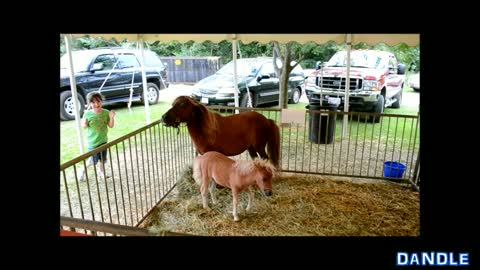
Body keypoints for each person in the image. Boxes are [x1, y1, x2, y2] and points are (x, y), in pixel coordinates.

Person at [78, 91, 115, 181]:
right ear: (90, 104)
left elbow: (110, 126)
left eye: (98, 101)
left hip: (103, 141)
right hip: (93, 143)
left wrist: (111, 117)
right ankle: (82, 170)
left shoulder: (106, 112)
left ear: (101, 101)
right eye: (93, 102)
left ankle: (101, 171)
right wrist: (85, 124)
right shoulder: (87, 114)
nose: (96, 104)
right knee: (92, 161)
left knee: (103, 159)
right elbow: (84, 126)